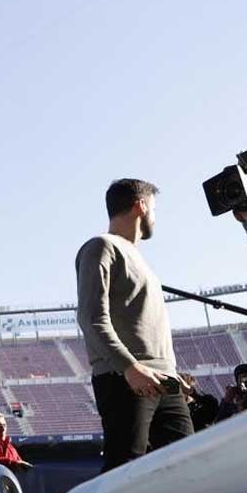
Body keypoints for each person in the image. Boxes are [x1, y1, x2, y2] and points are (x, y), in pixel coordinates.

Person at [75, 178, 191, 472]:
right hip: (124, 378)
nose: (154, 216)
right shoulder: (102, 246)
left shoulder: (139, 258)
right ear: (141, 206)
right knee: (125, 468)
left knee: (187, 464)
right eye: (153, 208)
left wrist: (171, 372)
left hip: (164, 379)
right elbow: (91, 318)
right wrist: (129, 367)